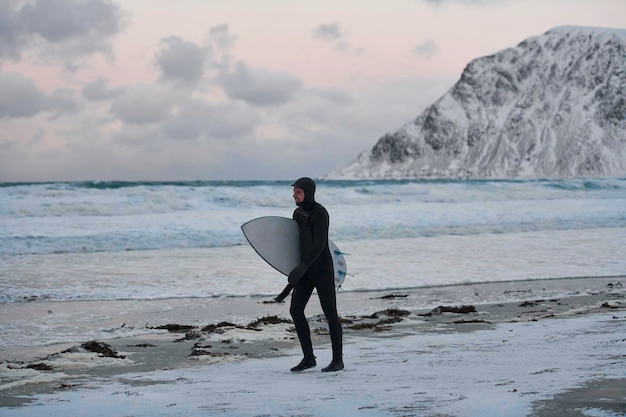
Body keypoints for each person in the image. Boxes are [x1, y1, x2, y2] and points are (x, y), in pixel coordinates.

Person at [286, 177, 344, 373]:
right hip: (305, 269)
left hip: (321, 269)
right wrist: (295, 266)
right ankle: (309, 358)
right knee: (295, 310)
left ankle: (338, 360)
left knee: (330, 313)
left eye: (298, 192)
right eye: (294, 192)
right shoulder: (297, 213)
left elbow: (320, 245)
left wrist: (303, 265)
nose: (294, 196)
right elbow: (295, 243)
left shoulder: (320, 213)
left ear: (309, 192)